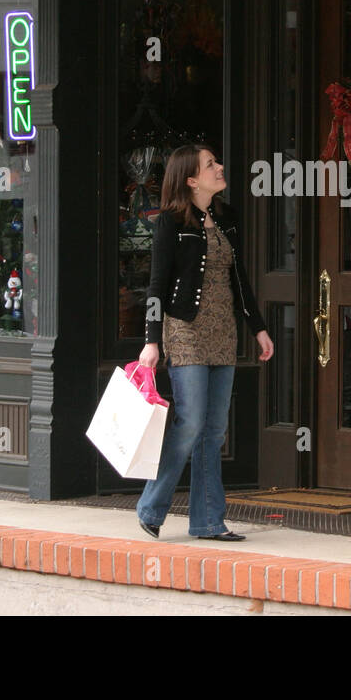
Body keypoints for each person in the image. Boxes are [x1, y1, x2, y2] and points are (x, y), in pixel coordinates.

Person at [136, 144, 274, 541]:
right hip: (185, 331)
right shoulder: (170, 223)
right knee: (192, 423)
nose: (220, 167)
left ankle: (209, 521)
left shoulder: (226, 217)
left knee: (214, 431)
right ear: (191, 179)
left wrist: (258, 328)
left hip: (223, 333)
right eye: (210, 164)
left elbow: (240, 280)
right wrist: (151, 341)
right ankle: (150, 505)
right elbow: (156, 286)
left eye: (216, 161)